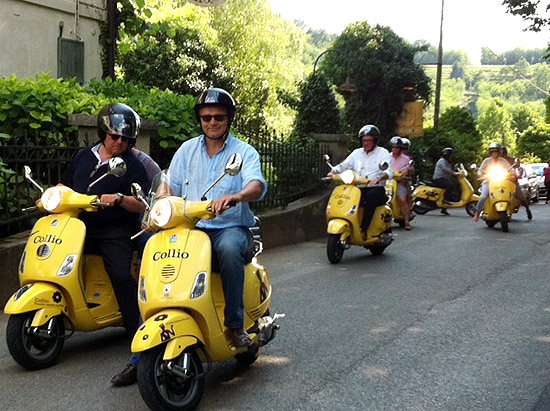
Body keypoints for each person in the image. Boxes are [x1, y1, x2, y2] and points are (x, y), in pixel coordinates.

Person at [167, 88, 267, 348]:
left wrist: (236, 196)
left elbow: (256, 185)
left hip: (230, 228)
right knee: (151, 249)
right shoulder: (186, 150)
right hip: (191, 229)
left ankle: (234, 325)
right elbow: (168, 187)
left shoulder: (244, 152)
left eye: (218, 117)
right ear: (200, 119)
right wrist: (157, 207)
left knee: (228, 249)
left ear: (228, 120)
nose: (212, 122)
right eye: (206, 117)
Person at [60, 103, 150, 385]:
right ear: (103, 134)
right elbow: (64, 185)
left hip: (115, 228)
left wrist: (120, 199)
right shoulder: (83, 158)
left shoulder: (134, 165)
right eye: (114, 136)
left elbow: (143, 204)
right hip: (80, 225)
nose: (119, 142)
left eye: (125, 138)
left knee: (121, 273)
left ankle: (134, 325)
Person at [329, 125, 393, 237]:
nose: (366, 143)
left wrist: (379, 179)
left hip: (376, 188)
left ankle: (364, 229)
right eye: (364, 140)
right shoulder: (356, 153)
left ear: (375, 140)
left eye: (369, 140)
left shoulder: (383, 153)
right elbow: (345, 165)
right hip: (358, 188)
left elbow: (389, 170)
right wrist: (333, 172)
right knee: (343, 196)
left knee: (371, 197)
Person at [472, 142, 514, 222]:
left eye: (496, 151)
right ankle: (477, 213)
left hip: (501, 182)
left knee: (510, 193)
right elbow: (480, 170)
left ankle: (510, 210)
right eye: (493, 151)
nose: (495, 153)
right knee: (484, 196)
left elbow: (509, 168)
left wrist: (512, 171)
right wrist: (481, 174)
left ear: (499, 152)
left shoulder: (503, 161)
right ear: (490, 152)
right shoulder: (487, 161)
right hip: (488, 181)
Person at [502, 146, 532, 220]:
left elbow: (518, 166)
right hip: (499, 182)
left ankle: (527, 209)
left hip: (512, 181)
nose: (501, 154)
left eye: (502, 152)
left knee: (520, 196)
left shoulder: (511, 160)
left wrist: (517, 165)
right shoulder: (497, 161)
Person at [389, 136, 413, 230]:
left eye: (397, 147)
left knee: (402, 200)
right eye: (393, 147)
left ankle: (406, 221)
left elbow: (411, 169)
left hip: (400, 182)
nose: (395, 149)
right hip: (388, 182)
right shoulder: (386, 156)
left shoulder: (406, 159)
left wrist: (407, 170)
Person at [431, 147, 459, 215]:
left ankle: (444, 208)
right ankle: (445, 200)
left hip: (443, 178)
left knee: (451, 185)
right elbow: (445, 169)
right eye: (450, 155)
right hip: (438, 178)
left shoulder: (446, 161)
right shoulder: (442, 161)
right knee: (450, 185)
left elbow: (449, 169)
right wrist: (454, 173)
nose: (451, 156)